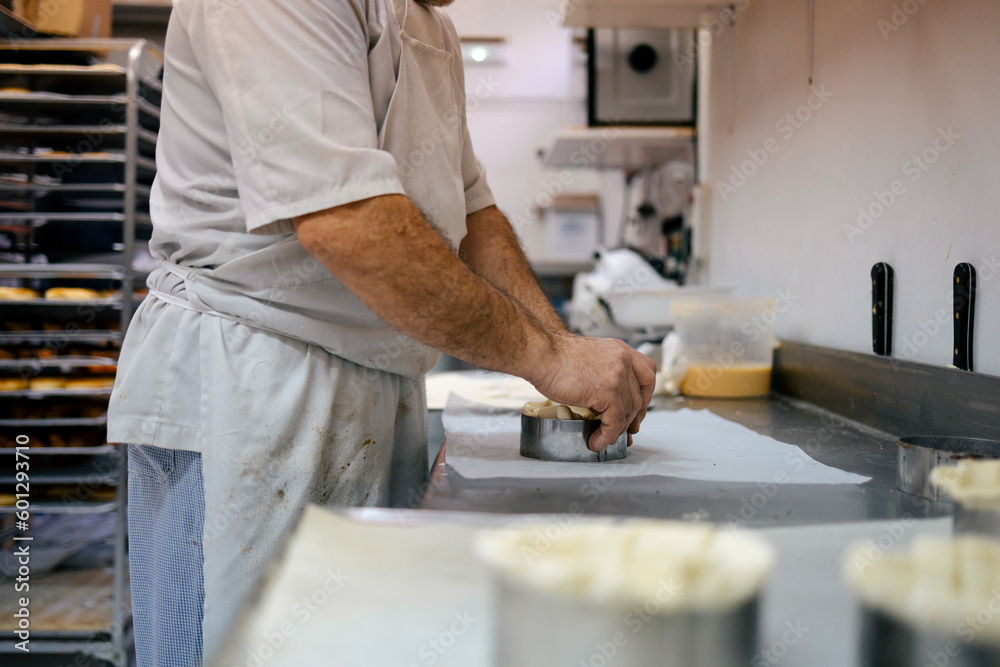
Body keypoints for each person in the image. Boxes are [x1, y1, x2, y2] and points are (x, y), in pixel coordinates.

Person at [107, 0, 657, 664]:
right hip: (249, 390)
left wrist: (568, 355)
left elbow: (474, 215)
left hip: (375, 390)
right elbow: (346, 220)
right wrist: (545, 356)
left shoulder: (431, 24)